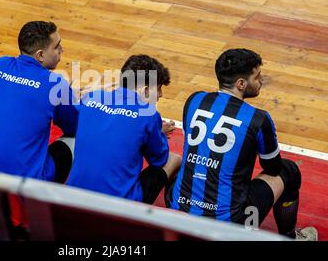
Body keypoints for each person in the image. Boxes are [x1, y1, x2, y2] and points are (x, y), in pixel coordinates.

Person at [167, 48, 317, 240]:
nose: (261, 80)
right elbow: (272, 167)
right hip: (232, 224)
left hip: (177, 208)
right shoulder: (258, 119)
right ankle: (291, 237)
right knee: (288, 170)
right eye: (257, 76)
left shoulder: (194, 100)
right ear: (241, 84)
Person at [0, 21, 78, 183]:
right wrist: (70, 96)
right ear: (40, 55)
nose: (62, 49)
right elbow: (73, 126)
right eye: (57, 46)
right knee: (74, 140)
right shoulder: (56, 85)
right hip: (25, 185)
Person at [67, 54, 181, 204]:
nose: (160, 95)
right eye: (158, 89)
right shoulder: (149, 115)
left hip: (73, 199)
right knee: (174, 159)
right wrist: (156, 132)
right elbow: (159, 160)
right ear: (146, 90)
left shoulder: (91, 98)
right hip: (119, 208)